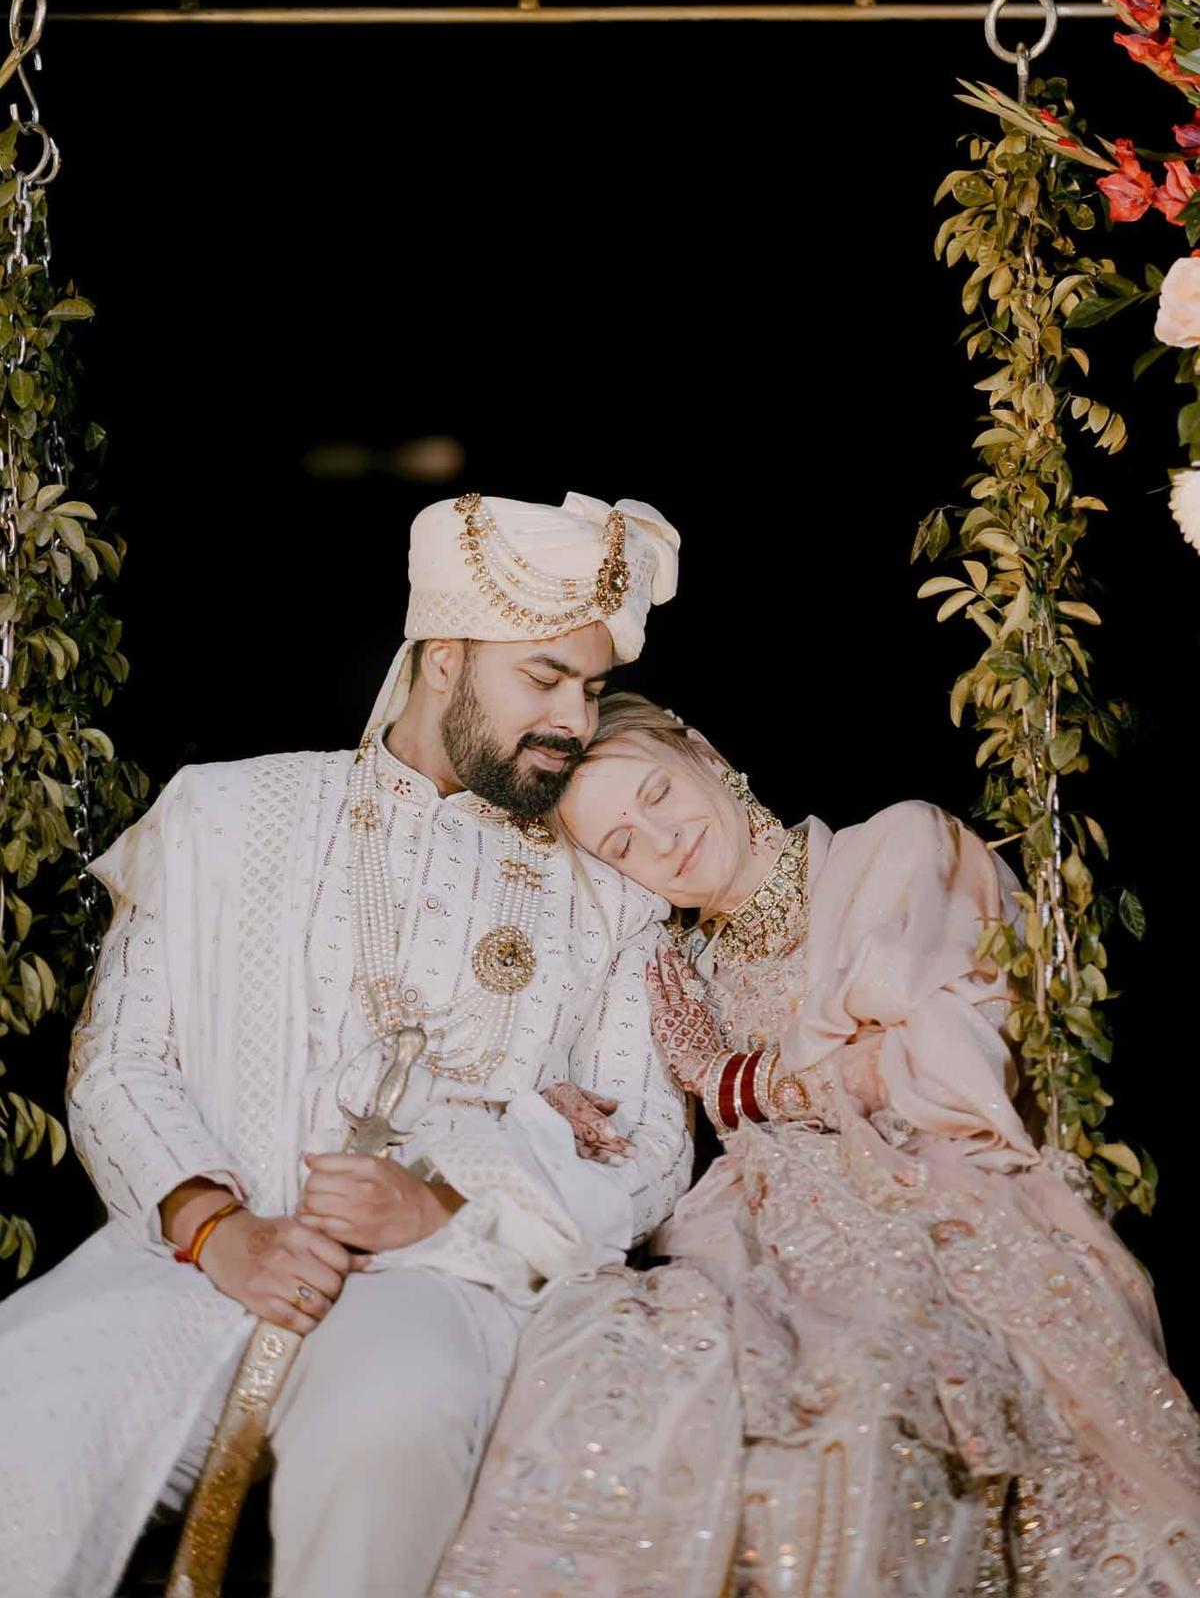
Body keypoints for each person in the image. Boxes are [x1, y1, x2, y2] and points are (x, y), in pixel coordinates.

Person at [0, 496, 692, 1598]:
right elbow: (119, 1062)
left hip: (443, 1280)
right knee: (19, 1411)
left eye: (592, 689)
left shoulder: (614, 892)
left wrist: (444, 1206)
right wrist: (217, 1228)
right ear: (444, 658)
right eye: (545, 677)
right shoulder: (224, 816)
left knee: (389, 1422)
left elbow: (651, 1146)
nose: (575, 719)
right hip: (195, 1263)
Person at [437, 692, 1200, 1597]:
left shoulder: (900, 848)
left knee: (870, 1391)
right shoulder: (674, 975)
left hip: (950, 1204)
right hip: (753, 1254)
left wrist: (738, 1080)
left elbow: (954, 1066)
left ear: (705, 755)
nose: (663, 840)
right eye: (623, 846)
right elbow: (637, 1140)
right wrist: (553, 1103)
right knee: (623, 1392)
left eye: (657, 794)